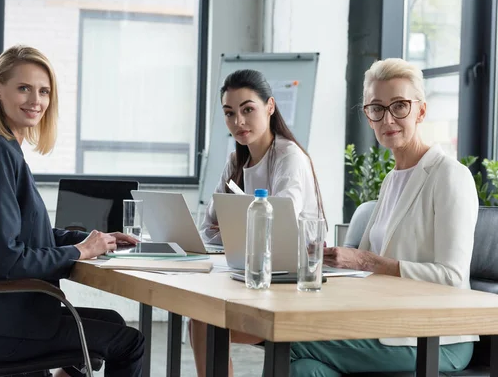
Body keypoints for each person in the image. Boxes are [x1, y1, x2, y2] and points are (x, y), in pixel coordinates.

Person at [0, 45, 144, 377]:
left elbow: (30, 235)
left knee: (112, 323)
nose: (35, 100)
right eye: (23, 88)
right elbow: (8, 260)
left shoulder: (3, 148)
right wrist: (78, 252)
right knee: (130, 342)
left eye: (44, 91)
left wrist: (97, 241)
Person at [289, 58, 478, 376]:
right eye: (376, 108)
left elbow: (451, 277)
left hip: (440, 336)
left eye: (400, 106)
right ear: (368, 116)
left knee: (289, 341)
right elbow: (362, 270)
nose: (388, 118)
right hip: (385, 323)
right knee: (305, 369)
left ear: (420, 111)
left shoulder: (449, 176)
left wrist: (365, 261)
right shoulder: (392, 179)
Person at [191, 69, 325, 377]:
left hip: (291, 284)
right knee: (198, 318)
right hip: (250, 277)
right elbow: (209, 226)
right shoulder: (236, 160)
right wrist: (232, 228)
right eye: (229, 113)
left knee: (206, 322)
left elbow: (280, 228)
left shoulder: (288, 157)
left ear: (270, 107)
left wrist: (233, 228)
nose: (238, 122)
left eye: (247, 109)